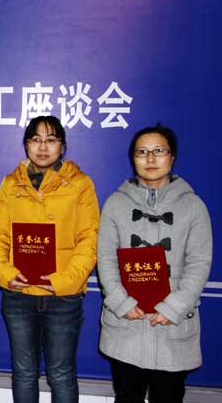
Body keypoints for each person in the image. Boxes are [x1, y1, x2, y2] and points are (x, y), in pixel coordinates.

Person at [0, 115, 99, 403]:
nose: (43, 147)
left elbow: (89, 238)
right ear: (26, 145)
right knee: (23, 372)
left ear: (62, 145)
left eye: (51, 140)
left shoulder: (80, 184)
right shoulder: (11, 183)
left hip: (62, 296)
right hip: (18, 294)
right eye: (35, 140)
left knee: (61, 374)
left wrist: (66, 281)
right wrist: (4, 273)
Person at [97, 124, 212, 403]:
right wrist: (121, 303)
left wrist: (173, 308)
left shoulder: (193, 206)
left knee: (169, 397)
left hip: (172, 325)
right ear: (133, 158)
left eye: (158, 151)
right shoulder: (115, 203)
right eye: (142, 152)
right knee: (127, 396)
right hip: (127, 324)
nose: (150, 159)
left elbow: (199, 263)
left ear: (172, 157)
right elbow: (106, 258)